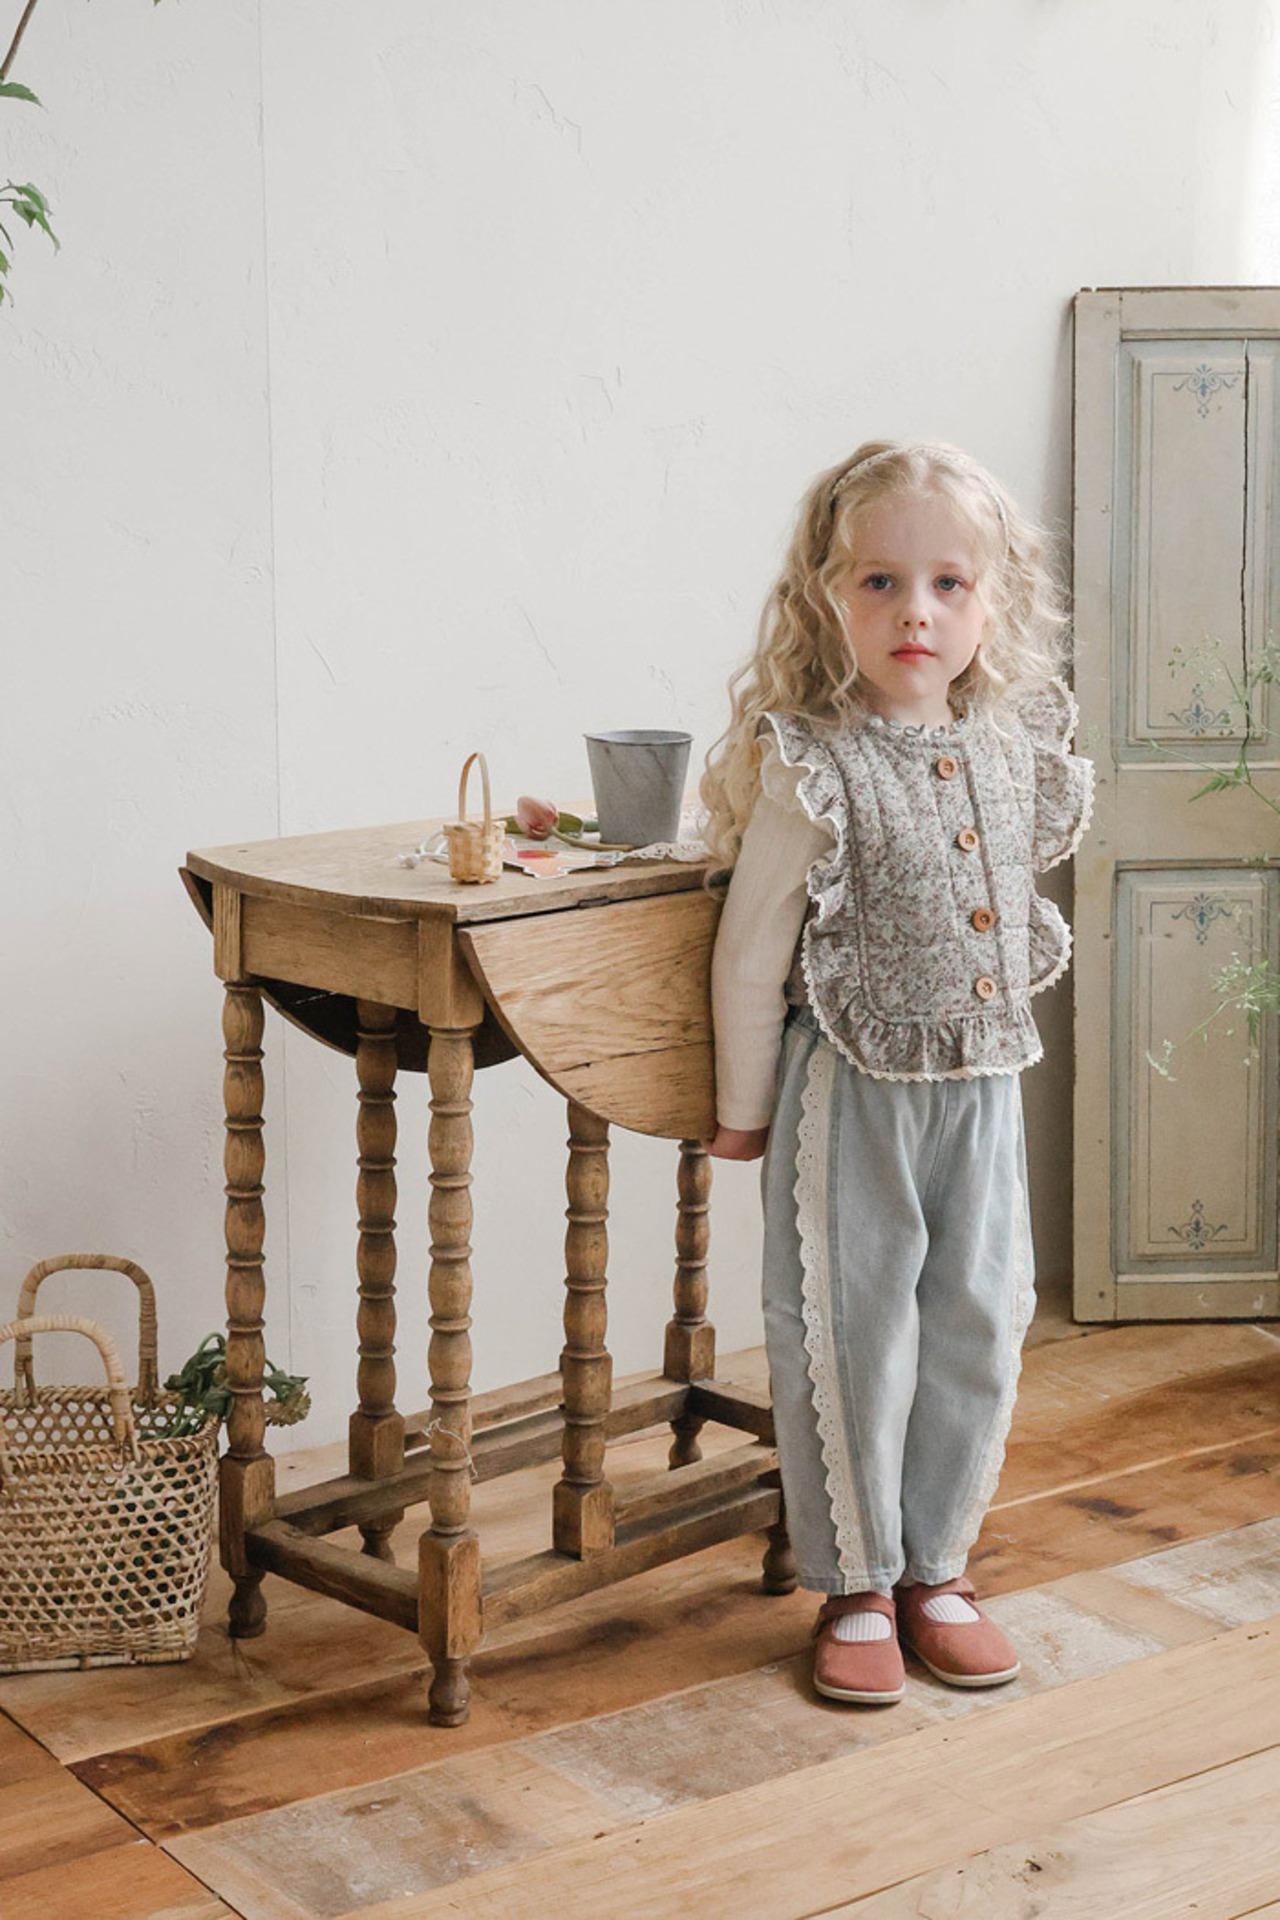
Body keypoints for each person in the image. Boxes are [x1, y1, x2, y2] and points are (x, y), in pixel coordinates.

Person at [701, 441, 1093, 1705]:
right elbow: (750, 950)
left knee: (979, 1319)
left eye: (945, 584)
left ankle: (938, 1566)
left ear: (992, 601)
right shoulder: (814, 763)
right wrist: (741, 1112)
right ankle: (856, 1580)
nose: (913, 612)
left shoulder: (1012, 745)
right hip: (849, 1090)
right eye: (878, 581)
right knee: (849, 1328)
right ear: (825, 596)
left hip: (982, 1084)